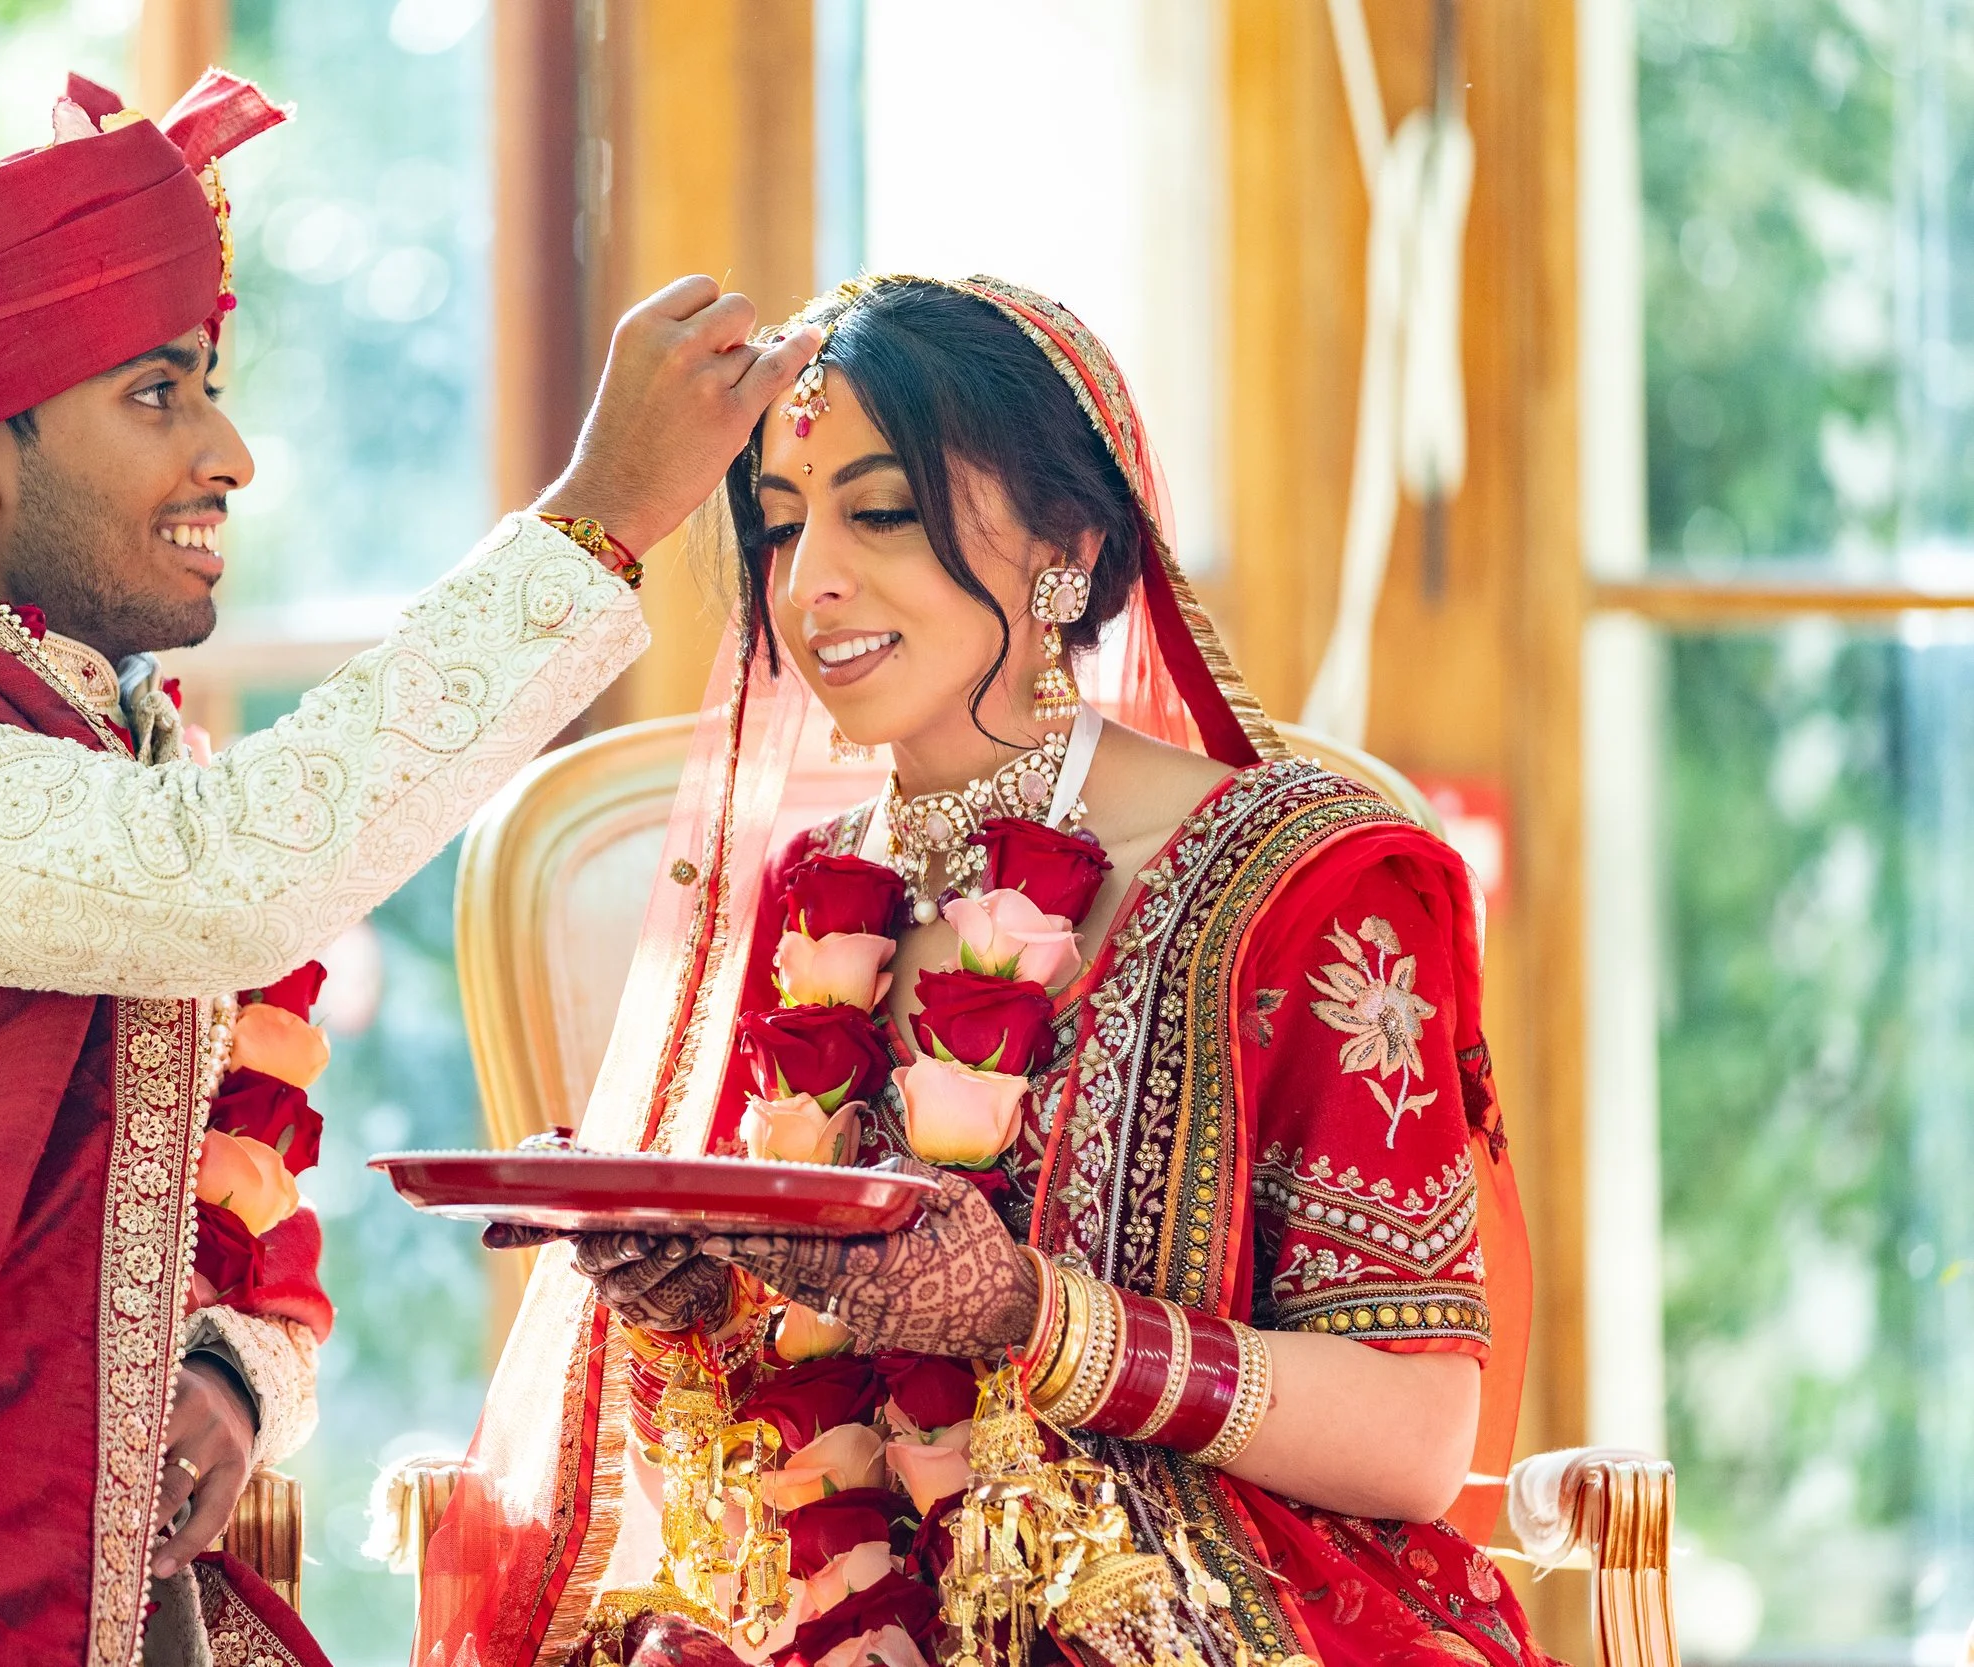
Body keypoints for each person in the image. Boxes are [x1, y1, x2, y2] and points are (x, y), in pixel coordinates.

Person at [0, 70, 819, 1667]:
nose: (233, 454)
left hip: (2, 1553)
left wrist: (230, 1377)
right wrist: (595, 522)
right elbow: (225, 875)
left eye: (213, 389)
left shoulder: (121, 743)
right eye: (159, 395)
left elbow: (227, 1203)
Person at [421, 276, 1546, 1667]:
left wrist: (1033, 1314)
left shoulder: (1311, 884)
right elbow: (799, 1401)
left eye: (879, 512)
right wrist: (689, 1295)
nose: (809, 580)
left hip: (1216, 1615)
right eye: (781, 523)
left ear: (1069, 542)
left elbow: (1421, 1438)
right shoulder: (814, 889)